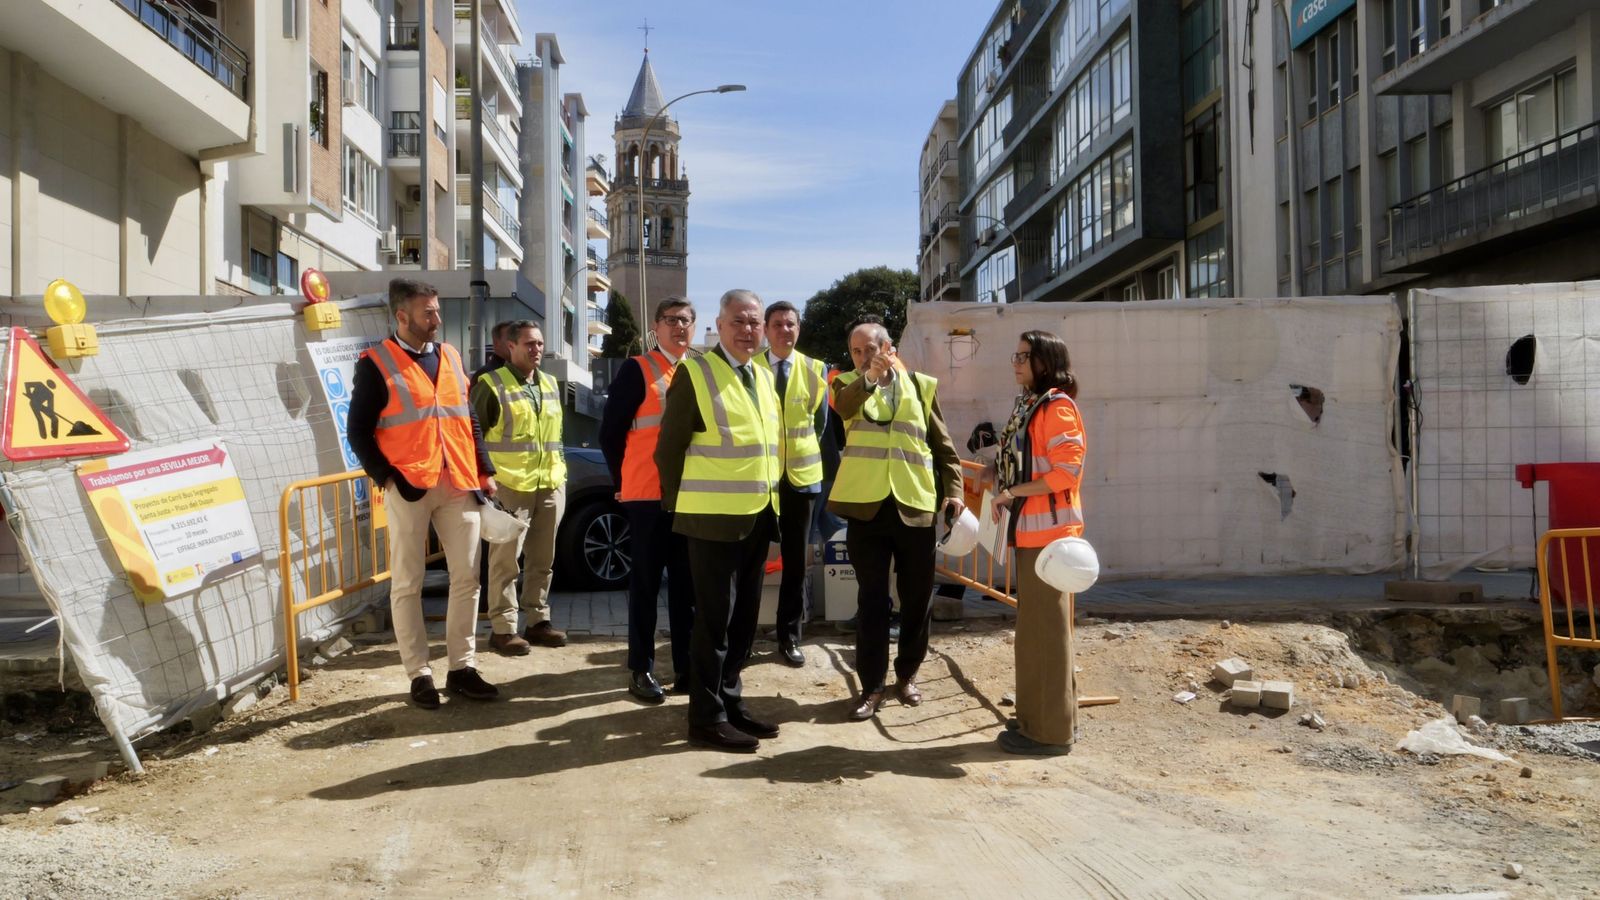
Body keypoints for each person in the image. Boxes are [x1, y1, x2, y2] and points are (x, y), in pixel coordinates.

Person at [347, 278, 499, 709]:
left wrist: (484, 470)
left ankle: (461, 668)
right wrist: (388, 478)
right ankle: (419, 674)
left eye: (436, 310)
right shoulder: (375, 363)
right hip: (409, 486)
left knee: (467, 578)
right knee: (408, 582)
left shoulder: (450, 356)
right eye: (427, 312)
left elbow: (467, 418)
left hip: (458, 480)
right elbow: (358, 432)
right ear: (402, 315)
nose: (436, 319)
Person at [656, 289, 784, 752]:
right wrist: (679, 504)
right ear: (720, 324)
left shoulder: (763, 376)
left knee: (744, 621)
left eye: (754, 322)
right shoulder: (696, 372)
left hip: (755, 516)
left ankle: (731, 702)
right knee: (713, 622)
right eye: (738, 322)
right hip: (710, 519)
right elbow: (668, 449)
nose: (748, 330)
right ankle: (704, 718)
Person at [830, 319, 964, 721]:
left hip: (915, 506)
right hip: (866, 508)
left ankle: (907, 675)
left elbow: (942, 445)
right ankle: (871, 686)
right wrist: (869, 376)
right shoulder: (845, 385)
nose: (863, 356)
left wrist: (954, 491)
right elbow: (845, 408)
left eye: (870, 348)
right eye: (856, 351)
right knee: (871, 599)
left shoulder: (922, 385)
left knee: (917, 598)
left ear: (889, 347)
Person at [990, 330, 1086, 756]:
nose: (1016, 362)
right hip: (1034, 534)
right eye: (1017, 354)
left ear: (1045, 362)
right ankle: (1044, 719)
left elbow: (1067, 472)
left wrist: (1013, 492)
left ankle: (1048, 732)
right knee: (1037, 633)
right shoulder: (1032, 405)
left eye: (1024, 356)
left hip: (1049, 538)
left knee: (1045, 635)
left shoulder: (1057, 408)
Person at [598, 298, 698, 703]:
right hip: (647, 496)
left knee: (686, 588)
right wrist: (623, 480)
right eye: (671, 320)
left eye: (686, 320)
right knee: (644, 585)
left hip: (691, 496)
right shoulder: (637, 370)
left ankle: (687, 668)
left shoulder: (699, 370)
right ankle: (640, 669)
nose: (680, 327)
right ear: (656, 326)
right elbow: (610, 433)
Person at [470, 320, 568, 655]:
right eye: (528, 343)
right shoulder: (490, 383)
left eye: (539, 343)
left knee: (543, 559)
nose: (536, 349)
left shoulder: (551, 384)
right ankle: (503, 628)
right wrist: (484, 478)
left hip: (550, 484)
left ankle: (538, 620)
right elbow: (473, 435)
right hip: (510, 487)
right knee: (506, 562)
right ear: (510, 347)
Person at [752, 300, 828, 667]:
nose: (785, 330)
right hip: (759, 481)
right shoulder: (749, 369)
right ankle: (742, 636)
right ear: (766, 329)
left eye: (791, 324)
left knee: (795, 564)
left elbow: (820, 425)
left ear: (799, 329)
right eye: (778, 324)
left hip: (800, 481)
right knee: (749, 561)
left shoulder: (816, 370)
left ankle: (789, 637)